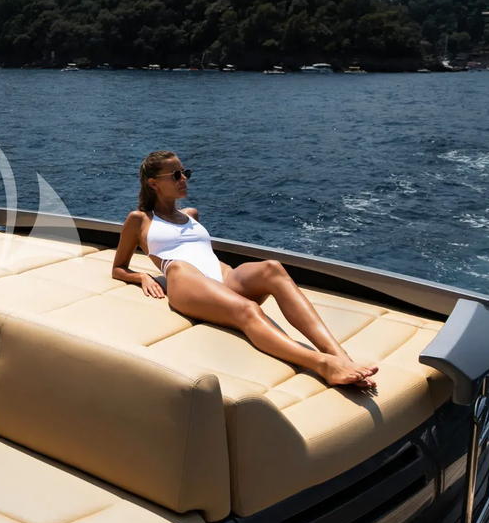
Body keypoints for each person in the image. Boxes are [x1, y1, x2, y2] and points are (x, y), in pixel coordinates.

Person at [113, 148, 379, 390]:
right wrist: (143, 276)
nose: (184, 179)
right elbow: (118, 268)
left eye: (185, 173)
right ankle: (323, 365)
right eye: (176, 175)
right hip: (185, 280)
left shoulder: (191, 214)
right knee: (248, 309)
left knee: (272, 268)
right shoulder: (140, 220)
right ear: (153, 183)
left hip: (223, 277)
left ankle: (341, 356)